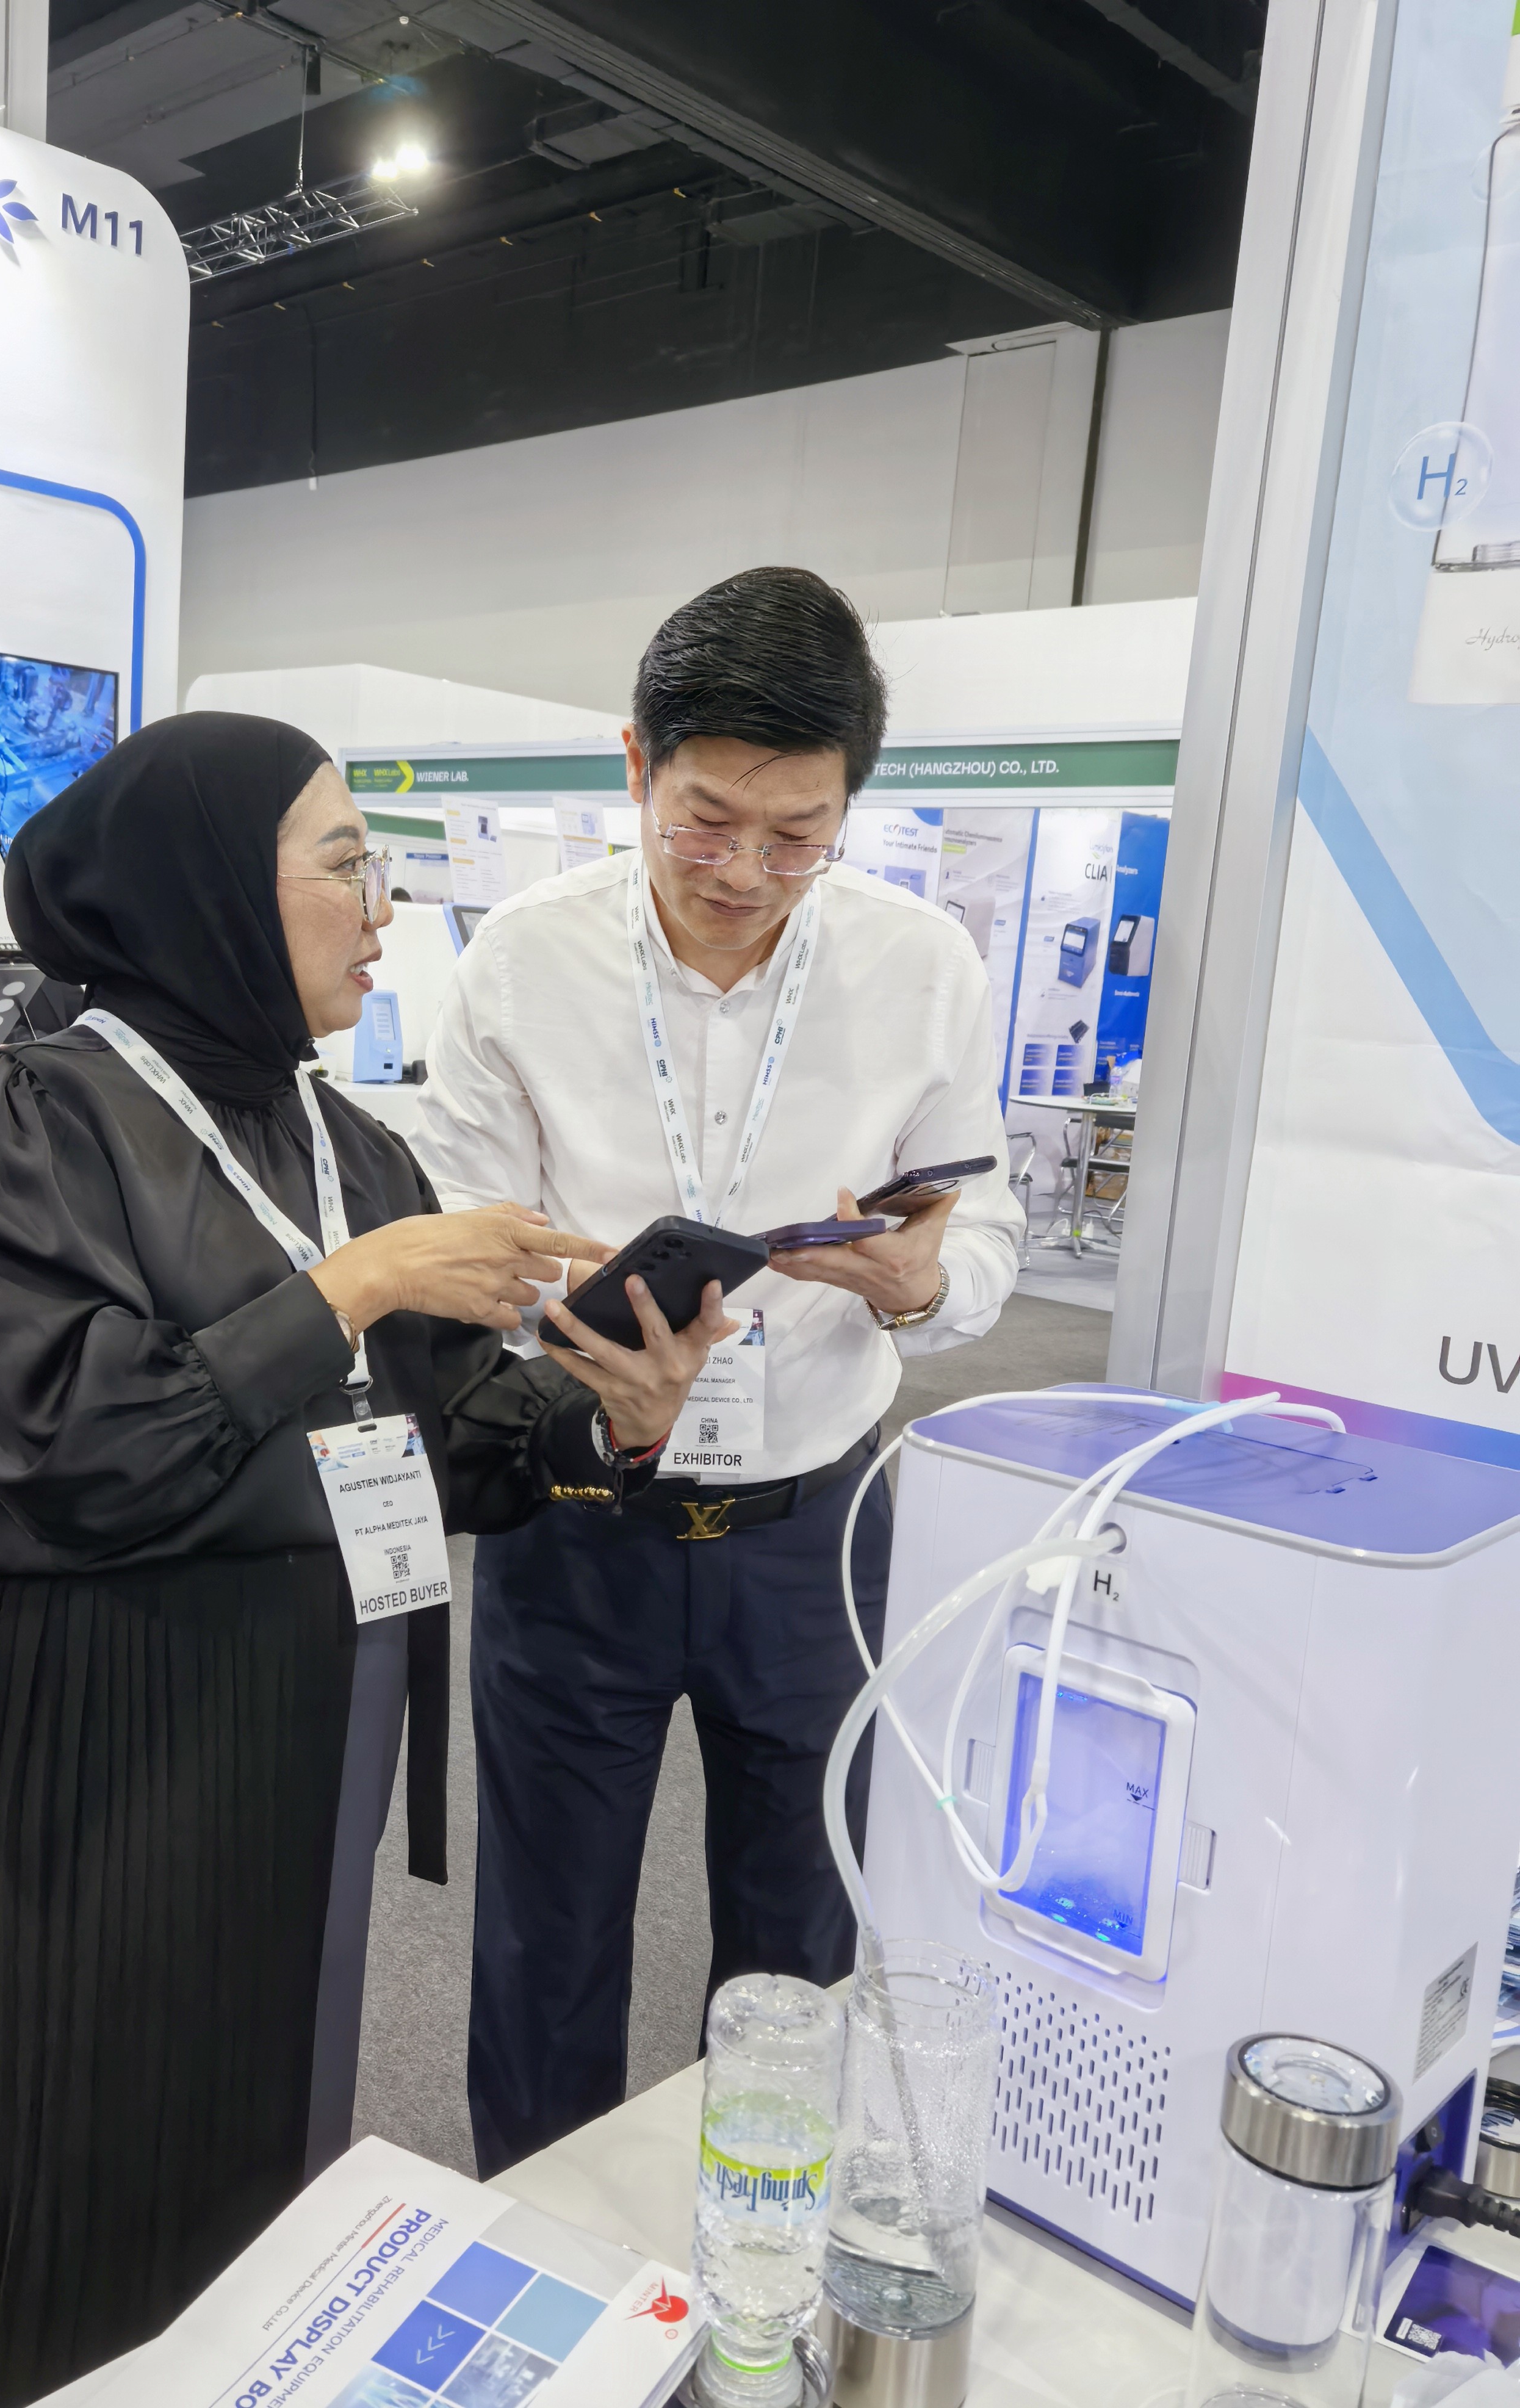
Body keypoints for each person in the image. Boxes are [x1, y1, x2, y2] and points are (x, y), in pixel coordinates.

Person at [0, 713, 726, 2408]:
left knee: (267, 2103)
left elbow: (461, 1425)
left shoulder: (350, 1145)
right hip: (103, 1709)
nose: (381, 906)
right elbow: (72, 1441)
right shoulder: (38, 1112)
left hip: (303, 1708)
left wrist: (616, 1415)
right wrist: (350, 1288)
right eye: (344, 862)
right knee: (80, 2108)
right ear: (208, 887)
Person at [413, 566, 1025, 2175]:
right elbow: (459, 1257)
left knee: (798, 1936)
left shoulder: (923, 967)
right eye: (706, 822)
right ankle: (543, 2232)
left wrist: (922, 1281)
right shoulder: (519, 966)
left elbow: (986, 1228)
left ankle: (760, 2234)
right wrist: (581, 1360)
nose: (748, 872)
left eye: (799, 834)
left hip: (815, 1530)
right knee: (548, 1934)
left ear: (849, 807)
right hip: (578, 1520)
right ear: (636, 765)